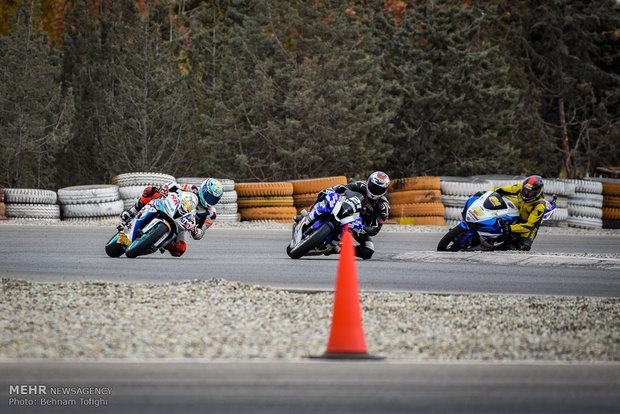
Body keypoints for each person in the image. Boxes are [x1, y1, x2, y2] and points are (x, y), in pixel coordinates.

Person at [120, 178, 223, 257]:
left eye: (214, 200)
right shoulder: (192, 188)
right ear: (204, 190)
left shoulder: (211, 214)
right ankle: (132, 212)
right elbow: (173, 185)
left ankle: (159, 242)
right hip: (169, 206)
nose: (210, 201)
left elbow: (201, 233)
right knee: (151, 191)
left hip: (181, 225)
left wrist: (196, 232)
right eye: (209, 197)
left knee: (179, 250)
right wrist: (165, 189)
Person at [301, 171, 390, 260]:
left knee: (368, 250)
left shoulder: (383, 206)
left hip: (357, 225)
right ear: (368, 183)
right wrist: (331, 189)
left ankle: (335, 249)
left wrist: (362, 228)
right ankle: (309, 212)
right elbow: (343, 187)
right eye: (373, 187)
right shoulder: (361, 185)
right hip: (345, 207)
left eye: (379, 189)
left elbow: (375, 228)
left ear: (385, 190)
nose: (375, 190)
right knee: (323, 194)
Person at [486, 175, 546, 251]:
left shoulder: (539, 206)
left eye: (529, 192)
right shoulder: (520, 188)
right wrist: (486, 193)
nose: (526, 193)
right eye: (525, 190)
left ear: (536, 192)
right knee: (502, 199)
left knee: (523, 247)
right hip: (520, 209)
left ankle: (507, 244)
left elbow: (529, 226)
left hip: (529, 224)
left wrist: (509, 228)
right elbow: (501, 190)